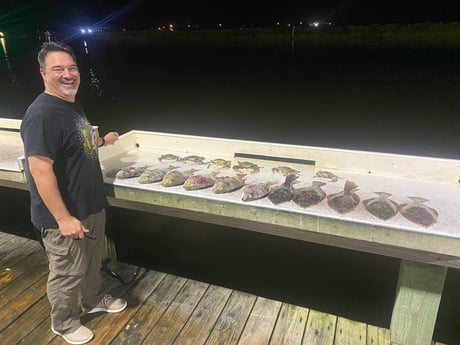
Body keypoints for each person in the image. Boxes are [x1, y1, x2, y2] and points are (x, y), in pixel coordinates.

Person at [20, 41, 126, 345]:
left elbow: (78, 141)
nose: (68, 74)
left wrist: (102, 141)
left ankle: (93, 299)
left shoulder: (69, 104)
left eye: (72, 68)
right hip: (62, 215)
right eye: (58, 69)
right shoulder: (41, 115)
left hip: (90, 204)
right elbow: (39, 170)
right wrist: (63, 217)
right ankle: (64, 322)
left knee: (94, 260)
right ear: (43, 73)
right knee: (68, 271)